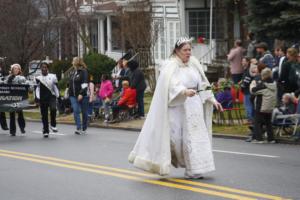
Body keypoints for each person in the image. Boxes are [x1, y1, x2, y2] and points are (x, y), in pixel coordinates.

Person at [128, 37, 223, 178]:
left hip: (194, 105)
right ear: (177, 51)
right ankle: (169, 159)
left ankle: (194, 169)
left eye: (190, 49)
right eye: (185, 50)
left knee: (193, 137)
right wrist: (184, 91)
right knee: (176, 139)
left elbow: (202, 84)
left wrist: (212, 99)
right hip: (178, 105)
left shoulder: (194, 64)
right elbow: (172, 83)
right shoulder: (170, 65)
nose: (188, 52)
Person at [250, 68, 277, 143]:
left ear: (263, 75)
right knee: (268, 122)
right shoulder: (274, 83)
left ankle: (258, 139)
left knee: (257, 122)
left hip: (262, 105)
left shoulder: (263, 85)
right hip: (270, 106)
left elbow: (253, 91)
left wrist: (252, 84)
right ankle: (271, 139)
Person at [35, 63, 59, 137]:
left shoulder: (53, 76)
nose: (44, 69)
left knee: (53, 109)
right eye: (42, 67)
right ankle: (45, 130)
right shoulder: (38, 78)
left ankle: (53, 124)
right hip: (42, 98)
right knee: (44, 115)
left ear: (47, 68)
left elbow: (55, 87)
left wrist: (58, 96)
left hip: (51, 96)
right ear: (40, 69)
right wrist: (37, 99)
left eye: (45, 67)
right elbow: (36, 89)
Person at [5, 64, 27, 136]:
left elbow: (26, 86)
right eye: (14, 69)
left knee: (20, 113)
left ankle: (22, 128)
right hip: (11, 98)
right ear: (12, 70)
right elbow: (6, 85)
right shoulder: (9, 77)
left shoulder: (22, 78)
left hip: (19, 98)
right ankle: (12, 131)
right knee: (12, 114)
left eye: (17, 69)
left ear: (19, 70)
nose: (16, 70)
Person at [69, 57, 89, 135]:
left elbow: (85, 83)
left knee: (84, 112)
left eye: (73, 60)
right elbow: (70, 84)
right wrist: (68, 91)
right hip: (73, 96)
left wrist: (81, 93)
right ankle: (78, 127)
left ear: (77, 62)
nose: (72, 62)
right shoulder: (72, 72)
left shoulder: (84, 72)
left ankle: (84, 128)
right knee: (76, 110)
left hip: (83, 95)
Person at [0, 65, 8, 131]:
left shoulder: (2, 72)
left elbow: (5, 80)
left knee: (2, 110)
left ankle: (4, 125)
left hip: (1, 93)